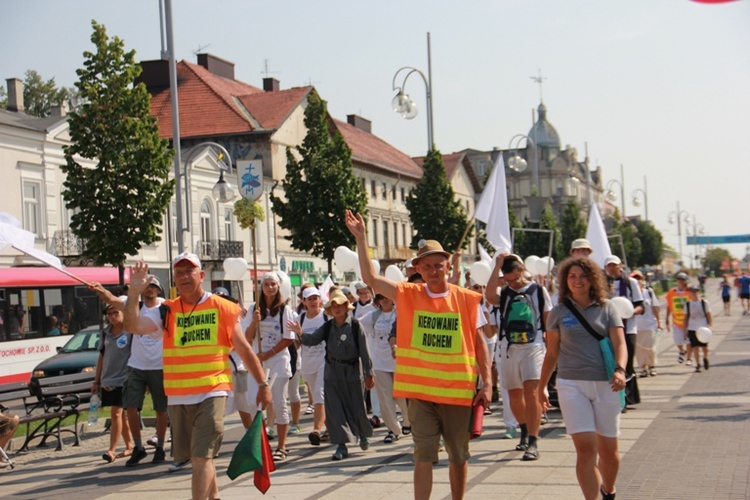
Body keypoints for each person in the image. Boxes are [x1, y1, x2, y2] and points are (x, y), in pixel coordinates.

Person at [345, 210, 492, 500]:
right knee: (422, 456)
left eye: (439, 265)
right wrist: (361, 239)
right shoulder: (408, 294)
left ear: (448, 266)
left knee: (458, 456)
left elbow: (480, 344)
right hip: (421, 395)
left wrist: (486, 383)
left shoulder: (466, 300)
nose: (434, 270)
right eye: (428, 266)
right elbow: (370, 278)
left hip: (457, 393)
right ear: (419, 269)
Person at [123, 255, 271, 500]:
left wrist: (263, 384)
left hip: (213, 390)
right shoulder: (166, 310)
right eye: (178, 272)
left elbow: (244, 348)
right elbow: (131, 326)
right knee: (199, 458)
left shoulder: (222, 307)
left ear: (201, 276)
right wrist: (133, 293)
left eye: (189, 271)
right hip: (178, 396)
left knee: (202, 456)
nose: (183, 277)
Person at [539, 256, 627, 500]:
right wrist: (542, 387)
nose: (578, 281)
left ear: (592, 279)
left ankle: (608, 490)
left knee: (609, 451)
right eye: (572, 276)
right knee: (585, 449)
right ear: (565, 281)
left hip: (606, 384)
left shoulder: (607, 308)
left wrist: (620, 369)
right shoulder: (558, 312)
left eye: (583, 276)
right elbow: (552, 353)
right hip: (571, 385)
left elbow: (620, 342)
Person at [89, 277, 170, 467]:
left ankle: (159, 447)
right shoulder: (133, 303)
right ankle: (139, 447)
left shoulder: (166, 307)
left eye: (153, 287)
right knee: (131, 407)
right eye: (146, 286)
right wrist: (99, 288)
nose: (149, 289)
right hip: (136, 365)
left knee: (161, 409)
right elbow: (111, 300)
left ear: (158, 290)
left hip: (159, 365)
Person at [292, 289, 374, 461]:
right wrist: (300, 333)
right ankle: (341, 445)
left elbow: (364, 352)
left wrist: (369, 374)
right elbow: (312, 339)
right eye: (333, 306)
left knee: (356, 406)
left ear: (346, 307)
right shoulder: (328, 327)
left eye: (340, 305)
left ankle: (363, 434)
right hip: (332, 371)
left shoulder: (355, 325)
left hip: (352, 371)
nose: (337, 309)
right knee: (335, 410)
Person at [486, 253, 551, 461]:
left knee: (531, 392)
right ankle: (523, 428)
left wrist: (551, 349)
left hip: (533, 345)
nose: (512, 283)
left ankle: (533, 441)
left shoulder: (538, 290)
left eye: (514, 278)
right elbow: (489, 296)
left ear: (522, 271)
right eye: (508, 279)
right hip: (508, 346)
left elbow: (548, 319)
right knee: (514, 395)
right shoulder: (504, 292)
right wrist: (496, 267)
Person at [241, 272, 295, 461]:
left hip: (278, 362)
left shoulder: (284, 310)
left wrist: (269, 353)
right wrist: (254, 321)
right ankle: (260, 443)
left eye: (273, 284)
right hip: (258, 363)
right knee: (253, 403)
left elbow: (289, 338)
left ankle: (281, 446)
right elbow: (247, 337)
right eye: (266, 284)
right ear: (261, 287)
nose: (270, 287)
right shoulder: (253, 308)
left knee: (279, 402)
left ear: (278, 287)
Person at [359, 293, 411, 443]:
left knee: (401, 396)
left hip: (398, 361)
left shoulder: (401, 313)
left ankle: (408, 421)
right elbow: (356, 325)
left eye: (387, 296)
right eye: (381, 297)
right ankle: (393, 430)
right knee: (385, 398)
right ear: (378, 301)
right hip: (379, 362)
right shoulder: (373, 316)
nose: (385, 299)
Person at [94, 305, 135, 463]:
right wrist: (96, 381)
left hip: (125, 378)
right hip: (108, 379)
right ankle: (130, 445)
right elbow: (101, 357)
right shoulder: (105, 333)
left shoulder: (130, 331)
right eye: (109, 314)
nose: (112, 316)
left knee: (116, 413)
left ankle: (111, 450)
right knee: (120, 415)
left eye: (115, 312)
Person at [604, 255, 643, 408]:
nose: (612, 269)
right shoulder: (603, 284)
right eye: (609, 266)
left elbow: (640, 305)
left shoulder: (630, 282)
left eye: (615, 265)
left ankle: (629, 396)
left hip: (628, 328)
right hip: (610, 329)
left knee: (627, 362)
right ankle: (617, 397)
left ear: (620, 266)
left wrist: (630, 312)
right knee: (613, 363)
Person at [296, 286, 328, 446]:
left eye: (316, 298)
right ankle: (332, 428)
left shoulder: (326, 316)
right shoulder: (300, 318)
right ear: (304, 302)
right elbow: (295, 342)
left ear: (320, 300)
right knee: (318, 397)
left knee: (319, 395)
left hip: (325, 361)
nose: (313, 302)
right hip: (308, 363)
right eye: (310, 299)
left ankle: (316, 430)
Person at [631, 271, 662, 378]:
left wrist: (659, 322)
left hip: (650, 325)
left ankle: (652, 366)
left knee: (650, 347)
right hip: (636, 326)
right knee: (639, 349)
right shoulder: (630, 293)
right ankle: (643, 368)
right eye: (635, 279)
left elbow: (655, 307)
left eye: (639, 278)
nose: (637, 281)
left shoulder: (648, 292)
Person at [686, 284, 713, 372]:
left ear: (698, 292)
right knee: (695, 347)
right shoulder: (688, 304)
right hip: (692, 327)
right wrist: (685, 330)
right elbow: (686, 317)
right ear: (689, 293)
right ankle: (698, 364)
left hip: (703, 327)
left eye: (695, 291)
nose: (694, 293)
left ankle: (705, 357)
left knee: (704, 347)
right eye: (692, 292)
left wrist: (711, 325)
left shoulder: (704, 303)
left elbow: (709, 314)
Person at [665, 272, 690, 365]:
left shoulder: (689, 291)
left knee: (688, 340)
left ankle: (689, 358)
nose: (680, 281)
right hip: (676, 321)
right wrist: (667, 318)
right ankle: (682, 351)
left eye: (683, 280)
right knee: (678, 340)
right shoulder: (672, 292)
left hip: (688, 321)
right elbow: (669, 305)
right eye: (679, 279)